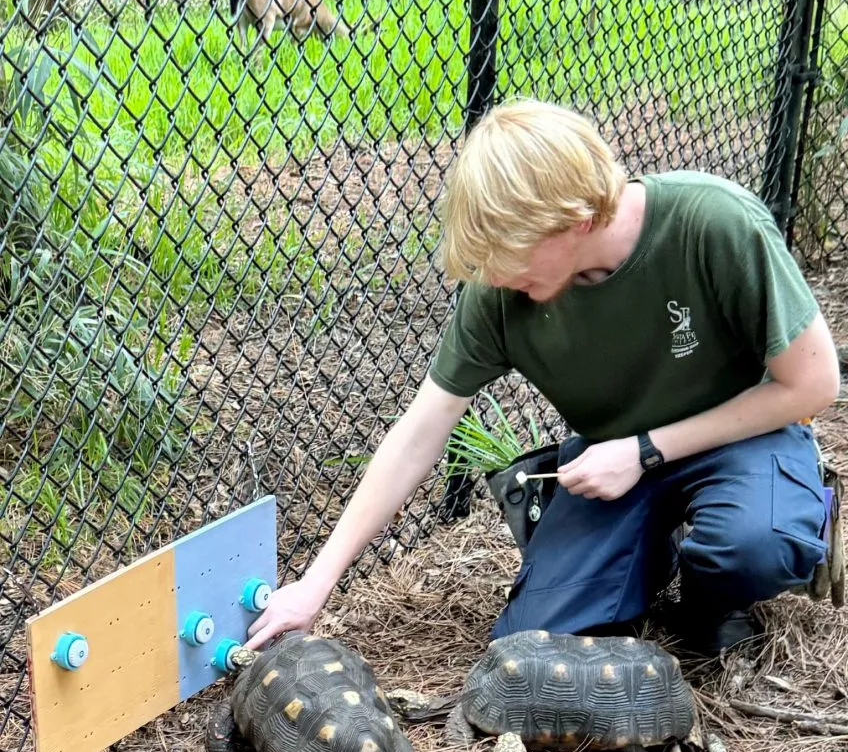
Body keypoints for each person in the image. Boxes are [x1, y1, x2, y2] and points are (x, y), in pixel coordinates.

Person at [246, 98, 840, 658]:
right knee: (530, 642)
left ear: (577, 220)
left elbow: (813, 385)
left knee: (749, 548)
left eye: (513, 250)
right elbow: (419, 431)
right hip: (614, 463)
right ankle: (648, 548)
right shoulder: (503, 291)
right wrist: (316, 582)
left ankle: (734, 567)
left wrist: (646, 450)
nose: (497, 273)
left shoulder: (712, 221)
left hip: (737, 437)